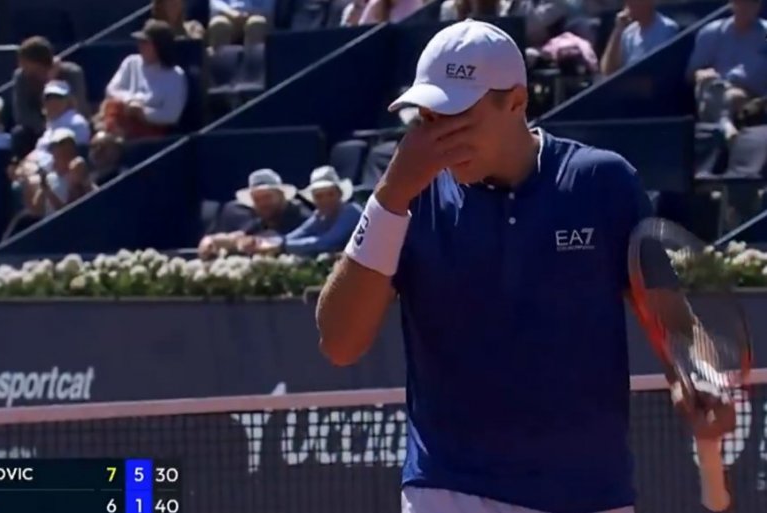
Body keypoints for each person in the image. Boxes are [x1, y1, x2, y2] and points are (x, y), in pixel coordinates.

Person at [316, 20, 735, 513]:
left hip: (592, 495)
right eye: (428, 117)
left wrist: (697, 375)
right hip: (448, 492)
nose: (440, 133)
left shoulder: (603, 182)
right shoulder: (408, 197)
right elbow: (340, 343)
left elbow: (672, 320)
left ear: (516, 101)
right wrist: (389, 197)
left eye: (458, 114)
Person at [686, 0, 767, 139]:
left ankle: (725, 126)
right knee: (711, 87)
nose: (746, 7)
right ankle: (726, 125)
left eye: (752, 2)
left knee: (734, 97)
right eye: (741, 2)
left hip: (754, 100)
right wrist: (701, 73)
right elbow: (690, 74)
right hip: (715, 93)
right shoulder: (711, 33)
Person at [240, 166, 361, 257]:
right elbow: (299, 234)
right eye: (319, 196)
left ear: (340, 194)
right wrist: (264, 243)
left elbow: (326, 243)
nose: (325, 200)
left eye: (330, 194)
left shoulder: (351, 212)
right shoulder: (319, 215)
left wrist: (280, 246)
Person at [100, 20, 189, 139]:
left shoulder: (175, 75)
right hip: (123, 117)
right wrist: (130, 100)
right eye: (140, 41)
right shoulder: (131, 62)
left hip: (151, 130)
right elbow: (111, 89)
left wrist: (143, 112)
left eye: (145, 42)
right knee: (112, 106)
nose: (140, 46)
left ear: (160, 46)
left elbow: (172, 115)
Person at [199, 168, 309, 258]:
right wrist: (211, 240)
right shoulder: (261, 221)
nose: (263, 203)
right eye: (257, 199)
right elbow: (240, 236)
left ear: (281, 196)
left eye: (267, 197)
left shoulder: (302, 218)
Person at [11, 36, 89, 154]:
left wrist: (52, 80)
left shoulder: (72, 73)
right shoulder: (21, 77)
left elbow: (78, 107)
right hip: (38, 127)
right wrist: (47, 127)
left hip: (69, 124)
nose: (20, 65)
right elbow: (22, 114)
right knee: (19, 134)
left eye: (24, 61)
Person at [600, 0, 678, 76]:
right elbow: (608, 70)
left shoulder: (667, 29)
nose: (628, 5)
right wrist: (618, 30)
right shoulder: (628, 34)